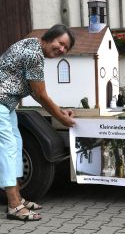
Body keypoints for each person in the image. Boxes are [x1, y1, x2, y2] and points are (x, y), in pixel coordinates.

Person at [0, 24, 76, 221]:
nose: (61, 50)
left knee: (16, 147)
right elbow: (41, 95)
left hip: (7, 106)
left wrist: (59, 110)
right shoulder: (33, 54)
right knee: (8, 149)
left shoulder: (33, 47)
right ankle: (14, 205)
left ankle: (18, 198)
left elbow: (38, 93)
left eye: (66, 48)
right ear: (49, 37)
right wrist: (61, 118)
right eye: (60, 43)